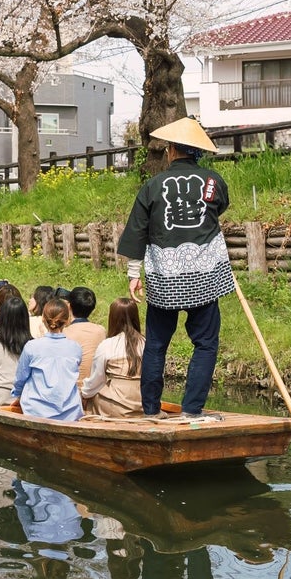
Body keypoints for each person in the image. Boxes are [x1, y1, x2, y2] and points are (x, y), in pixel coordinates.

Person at [116, 117, 237, 423]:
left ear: (171, 150)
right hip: (205, 276)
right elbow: (219, 208)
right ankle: (192, 409)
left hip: (165, 277)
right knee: (206, 343)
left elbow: (137, 230)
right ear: (196, 151)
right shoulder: (213, 182)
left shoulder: (153, 186)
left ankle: (152, 410)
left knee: (157, 344)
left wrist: (134, 274)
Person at [12, 300, 84, 420]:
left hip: (35, 410)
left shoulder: (32, 346)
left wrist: (17, 396)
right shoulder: (75, 348)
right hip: (69, 412)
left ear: (43, 319)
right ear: (67, 320)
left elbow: (20, 378)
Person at [82, 297, 150, 419]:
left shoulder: (107, 345)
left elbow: (96, 380)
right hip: (144, 404)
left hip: (114, 407)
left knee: (90, 400)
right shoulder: (147, 343)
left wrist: (84, 394)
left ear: (112, 318)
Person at [62, 285, 105, 382]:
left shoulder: (64, 333)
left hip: (72, 388)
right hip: (95, 387)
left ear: (69, 306)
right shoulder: (101, 331)